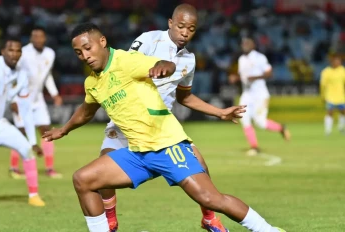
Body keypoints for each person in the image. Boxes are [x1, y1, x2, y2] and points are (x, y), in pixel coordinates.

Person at [43, 22, 286, 232]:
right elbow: (86, 111)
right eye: (78, 52)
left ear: (102, 41)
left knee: (211, 198)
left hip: (167, 146)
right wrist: (63, 130)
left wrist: (163, 68)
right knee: (83, 180)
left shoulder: (126, 61)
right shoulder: (92, 83)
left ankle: (267, 229)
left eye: (88, 48)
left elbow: (164, 64)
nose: (85, 55)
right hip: (137, 153)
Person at [99, 4, 242, 232]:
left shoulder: (189, 60)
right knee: (102, 171)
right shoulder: (148, 40)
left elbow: (184, 97)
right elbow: (123, 66)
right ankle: (110, 220)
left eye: (191, 28)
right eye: (181, 26)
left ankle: (209, 218)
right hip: (128, 119)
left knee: (201, 166)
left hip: (161, 125)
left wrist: (220, 112)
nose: (185, 32)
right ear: (170, 23)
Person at [0, 37, 45, 207]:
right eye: (11, 50)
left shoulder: (21, 75)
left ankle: (34, 195)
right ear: (2, 51)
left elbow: (26, 110)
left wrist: (32, 141)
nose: (14, 54)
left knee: (27, 150)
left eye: (18, 50)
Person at [9, 26, 63, 179]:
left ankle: (49, 168)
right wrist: (13, 99)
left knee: (46, 130)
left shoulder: (50, 53)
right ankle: (13, 168)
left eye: (41, 36)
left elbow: (47, 76)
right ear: (31, 38)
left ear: (44, 38)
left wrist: (54, 94)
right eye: (35, 36)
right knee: (21, 132)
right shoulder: (23, 53)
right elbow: (13, 75)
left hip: (38, 98)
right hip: (21, 98)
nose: (38, 39)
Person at [229, 37, 291, 156]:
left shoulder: (259, 57)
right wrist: (235, 78)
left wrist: (255, 77)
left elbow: (269, 72)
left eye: (248, 43)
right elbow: (243, 76)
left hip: (260, 94)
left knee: (260, 123)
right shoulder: (241, 59)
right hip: (247, 94)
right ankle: (254, 146)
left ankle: (281, 128)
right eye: (243, 43)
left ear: (253, 45)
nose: (245, 45)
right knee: (243, 118)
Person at [320, 53, 345, 135]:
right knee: (329, 112)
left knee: (343, 112)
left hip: (341, 96)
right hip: (330, 96)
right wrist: (323, 95)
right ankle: (328, 130)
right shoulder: (326, 72)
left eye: (339, 61)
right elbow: (322, 85)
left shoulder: (342, 71)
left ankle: (341, 127)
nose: (338, 62)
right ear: (332, 62)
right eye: (336, 61)